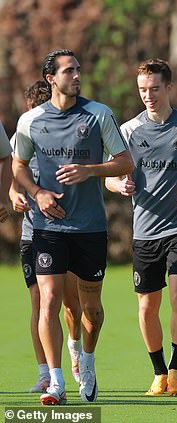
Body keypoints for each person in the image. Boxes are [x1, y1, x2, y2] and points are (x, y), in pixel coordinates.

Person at [12, 49, 133, 406]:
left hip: (90, 227)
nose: (77, 75)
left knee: (91, 310)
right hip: (48, 228)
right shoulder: (30, 120)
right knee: (48, 300)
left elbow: (124, 162)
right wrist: (37, 193)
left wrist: (91, 170)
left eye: (79, 69)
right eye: (69, 71)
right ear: (51, 79)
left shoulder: (99, 115)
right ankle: (56, 382)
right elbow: (18, 166)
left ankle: (88, 361)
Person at [105, 58, 177, 397]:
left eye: (154, 89)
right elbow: (110, 177)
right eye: (142, 90)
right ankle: (158, 372)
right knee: (147, 307)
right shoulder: (128, 131)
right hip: (145, 231)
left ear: (169, 88)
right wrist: (119, 186)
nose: (148, 95)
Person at [9, 80, 83, 394]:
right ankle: (47, 374)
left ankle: (75, 346)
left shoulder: (68, 133)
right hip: (33, 233)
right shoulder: (21, 135)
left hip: (69, 231)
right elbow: (12, 176)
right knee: (41, 303)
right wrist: (14, 194)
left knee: (71, 305)